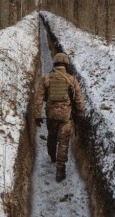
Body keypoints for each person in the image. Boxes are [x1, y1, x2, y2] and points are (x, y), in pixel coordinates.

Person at [35, 53, 85, 182]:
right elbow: (79, 100)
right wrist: (80, 114)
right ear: (66, 64)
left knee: (52, 136)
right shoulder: (71, 80)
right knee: (63, 143)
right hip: (65, 117)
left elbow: (39, 99)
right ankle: (60, 171)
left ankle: (52, 155)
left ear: (55, 64)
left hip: (51, 116)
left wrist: (37, 115)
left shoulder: (46, 79)